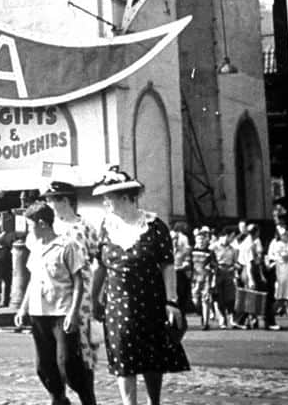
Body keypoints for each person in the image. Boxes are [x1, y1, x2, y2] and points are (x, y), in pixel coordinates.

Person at [89, 168, 188, 405]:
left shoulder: (155, 227)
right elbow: (100, 266)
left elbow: (167, 265)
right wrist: (94, 299)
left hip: (150, 302)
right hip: (117, 305)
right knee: (123, 356)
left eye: (108, 197)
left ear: (125, 196)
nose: (105, 202)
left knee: (152, 359)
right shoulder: (105, 227)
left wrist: (171, 301)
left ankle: (154, 401)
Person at [14, 201, 96, 405]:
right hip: (39, 313)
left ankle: (88, 399)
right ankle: (59, 400)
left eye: (31, 225)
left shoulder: (67, 246)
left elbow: (79, 281)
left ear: (42, 223)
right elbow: (33, 280)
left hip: (61, 312)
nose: (29, 230)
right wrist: (22, 308)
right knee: (44, 367)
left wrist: (73, 313)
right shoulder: (35, 248)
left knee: (68, 364)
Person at [42, 180, 100, 381]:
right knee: (53, 346)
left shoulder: (85, 227)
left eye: (52, 201)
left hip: (80, 292)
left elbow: (96, 259)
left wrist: (97, 293)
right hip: (52, 291)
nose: (49, 205)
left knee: (81, 341)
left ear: (64, 201)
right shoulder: (50, 227)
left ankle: (85, 384)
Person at [189, 227, 218, 330]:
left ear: (206, 240)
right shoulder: (192, 251)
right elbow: (189, 265)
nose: (201, 241)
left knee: (205, 300)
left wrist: (213, 280)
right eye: (199, 239)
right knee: (195, 301)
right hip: (195, 279)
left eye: (203, 239)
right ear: (196, 240)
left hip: (206, 279)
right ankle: (201, 314)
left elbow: (215, 267)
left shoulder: (210, 253)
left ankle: (205, 323)